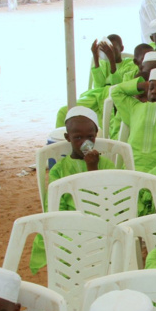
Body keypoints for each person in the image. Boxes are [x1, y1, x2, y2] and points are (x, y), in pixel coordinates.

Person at [32, 107, 119, 271]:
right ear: (67, 138)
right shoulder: (59, 169)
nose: (84, 142)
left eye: (90, 137)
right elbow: (55, 205)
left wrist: (92, 167)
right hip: (70, 224)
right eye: (78, 137)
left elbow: (109, 199)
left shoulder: (106, 164)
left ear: (96, 136)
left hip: (102, 219)